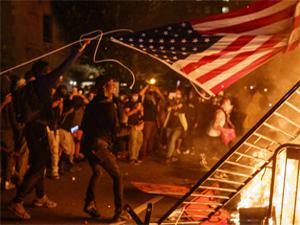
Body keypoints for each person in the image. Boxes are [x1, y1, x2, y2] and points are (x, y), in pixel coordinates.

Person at [8, 40, 89, 220]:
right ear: (43, 73)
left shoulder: (31, 86)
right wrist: (78, 50)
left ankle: (40, 196)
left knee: (40, 162)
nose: (53, 74)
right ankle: (18, 201)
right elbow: (64, 67)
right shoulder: (43, 83)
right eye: (49, 71)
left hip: (33, 127)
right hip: (37, 128)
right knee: (38, 164)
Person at [81, 76, 130, 221]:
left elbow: (83, 125)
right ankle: (119, 211)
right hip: (99, 145)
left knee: (97, 172)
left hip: (87, 143)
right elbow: (115, 131)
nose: (114, 86)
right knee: (117, 176)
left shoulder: (92, 103)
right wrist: (132, 129)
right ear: (104, 87)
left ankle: (89, 203)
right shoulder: (108, 105)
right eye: (111, 84)